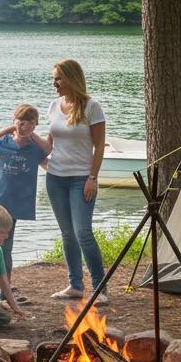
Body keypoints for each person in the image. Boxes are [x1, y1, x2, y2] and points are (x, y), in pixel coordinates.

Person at [45, 58, 108, 303]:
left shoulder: (92, 106)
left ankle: (100, 288)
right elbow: (50, 142)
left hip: (81, 178)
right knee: (67, 233)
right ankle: (75, 286)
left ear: (71, 78)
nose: (54, 83)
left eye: (58, 78)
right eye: (54, 78)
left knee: (83, 232)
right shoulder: (53, 106)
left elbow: (100, 145)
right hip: (55, 178)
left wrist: (93, 177)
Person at [0, 103, 51, 304]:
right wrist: (10, 129)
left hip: (19, 204)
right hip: (1, 202)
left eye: (30, 123)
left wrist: (31, 134)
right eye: (21, 122)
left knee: (5, 248)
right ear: (14, 122)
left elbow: (48, 150)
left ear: (36, 125)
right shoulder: (4, 143)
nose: (24, 126)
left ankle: (3, 290)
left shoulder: (35, 149)